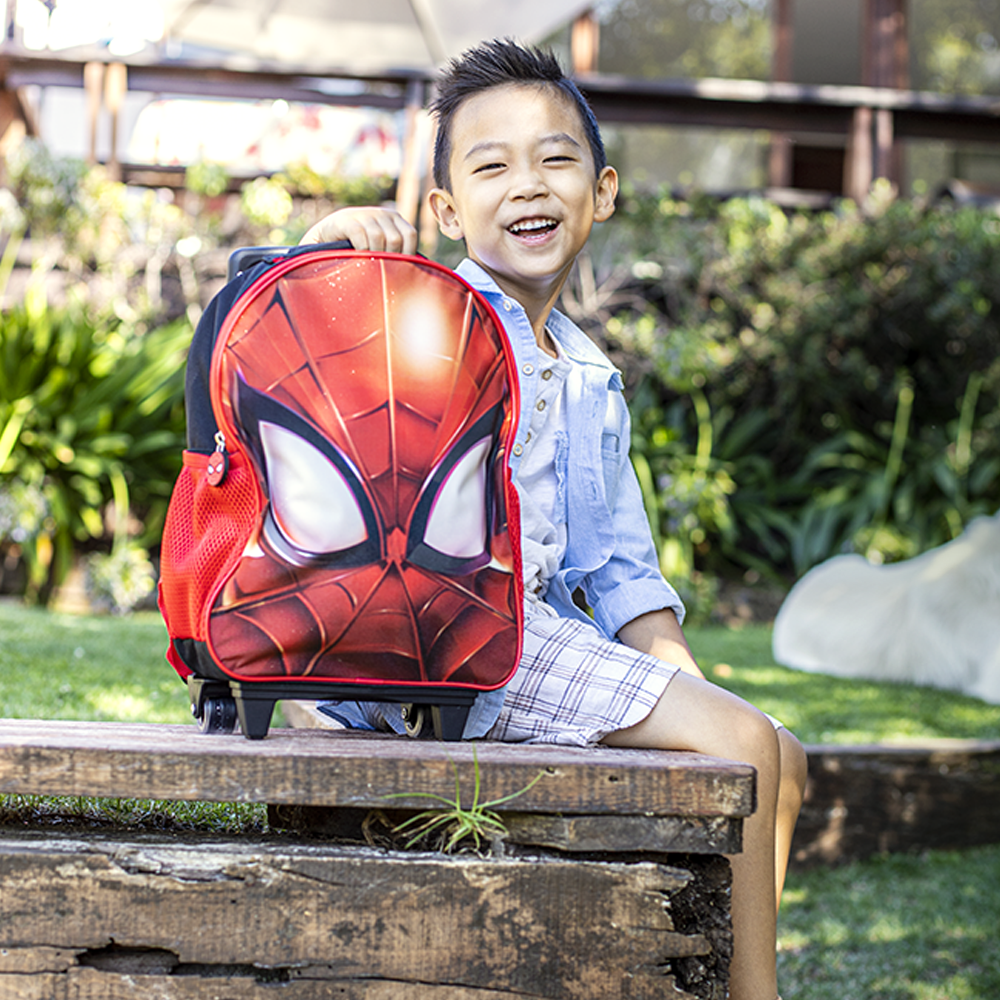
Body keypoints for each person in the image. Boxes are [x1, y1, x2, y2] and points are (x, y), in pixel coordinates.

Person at [301, 38, 806, 1000]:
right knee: (741, 746)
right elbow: (327, 347)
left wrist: (689, 692)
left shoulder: (588, 374)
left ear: (602, 191)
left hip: (548, 639)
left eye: (555, 159)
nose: (526, 185)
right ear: (447, 210)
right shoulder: (441, 317)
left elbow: (625, 574)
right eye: (490, 166)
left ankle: (713, 968)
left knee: (781, 751)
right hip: (456, 642)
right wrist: (336, 241)